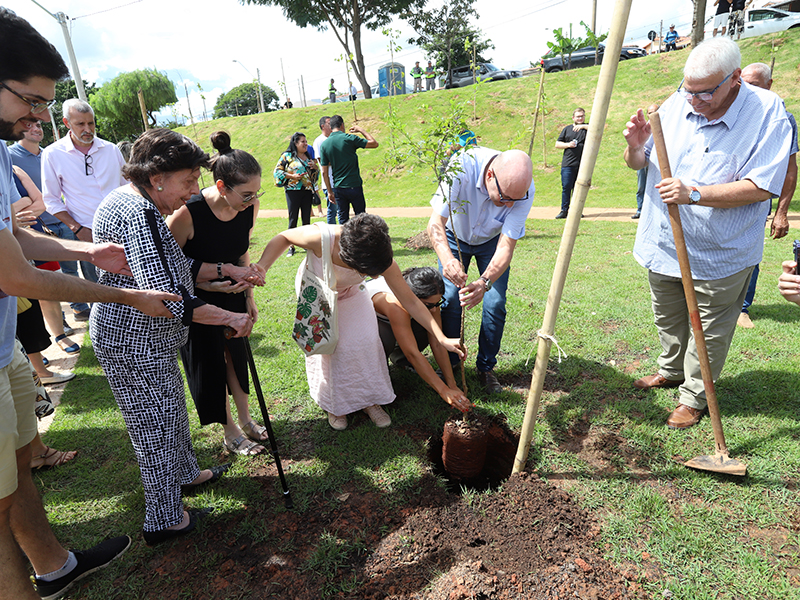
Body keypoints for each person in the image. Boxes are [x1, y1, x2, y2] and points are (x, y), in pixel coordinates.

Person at [0, 9, 182, 598]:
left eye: (46, 106)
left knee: (20, 469)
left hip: (5, 345)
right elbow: (15, 272)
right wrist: (123, 292)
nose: (38, 117)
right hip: (85, 332)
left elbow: (18, 235)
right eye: (30, 100)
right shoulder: (132, 207)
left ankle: (54, 567)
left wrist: (85, 247)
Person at [90, 128, 260, 545]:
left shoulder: (142, 202)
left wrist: (228, 271)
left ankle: (184, 473)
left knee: (170, 413)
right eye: (187, 181)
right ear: (156, 176)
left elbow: (178, 266)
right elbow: (166, 297)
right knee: (154, 428)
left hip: (154, 338)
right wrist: (227, 316)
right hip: (133, 339)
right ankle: (163, 518)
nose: (193, 190)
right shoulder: (138, 214)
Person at [623, 37, 792, 429]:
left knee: (710, 327)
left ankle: (695, 395)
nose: (692, 101)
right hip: (664, 242)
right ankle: (671, 369)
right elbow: (639, 162)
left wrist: (694, 193)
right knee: (668, 315)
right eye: (688, 90)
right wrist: (634, 148)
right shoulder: (678, 100)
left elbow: (763, 186)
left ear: (735, 78)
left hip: (721, 251)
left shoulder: (769, 115)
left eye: (704, 93)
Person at [256, 213, 464, 431]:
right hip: (318, 290)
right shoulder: (320, 237)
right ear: (351, 257)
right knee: (333, 345)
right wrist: (262, 266)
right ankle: (336, 406)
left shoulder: (380, 258)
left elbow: (410, 301)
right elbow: (284, 237)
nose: (375, 278)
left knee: (367, 341)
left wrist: (441, 338)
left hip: (351, 291)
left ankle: (368, 400)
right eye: (368, 272)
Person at [167, 131, 269, 457]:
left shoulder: (247, 208)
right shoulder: (187, 214)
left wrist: (249, 296)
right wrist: (206, 283)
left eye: (257, 193)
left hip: (234, 295)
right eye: (247, 194)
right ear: (222, 187)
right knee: (211, 363)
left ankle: (246, 419)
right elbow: (169, 262)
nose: (253, 201)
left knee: (235, 359)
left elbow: (242, 254)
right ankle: (230, 431)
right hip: (199, 302)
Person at [427, 148, 535, 394]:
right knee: (451, 299)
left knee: (495, 303)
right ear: (489, 176)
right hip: (455, 236)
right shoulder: (461, 166)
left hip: (491, 243)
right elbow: (435, 223)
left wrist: (485, 282)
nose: (509, 204)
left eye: (515, 200)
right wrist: (447, 259)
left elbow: (507, 246)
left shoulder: (523, 190)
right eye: (505, 197)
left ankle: (486, 367)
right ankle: (452, 362)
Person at [9, 119, 91, 325]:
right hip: (34, 228)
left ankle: (80, 308)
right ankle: (59, 321)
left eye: (39, 125)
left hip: (61, 219)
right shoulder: (9, 156)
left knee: (71, 268)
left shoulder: (51, 153)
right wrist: (27, 203)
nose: (37, 129)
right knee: (45, 278)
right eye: (31, 125)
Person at [737, 62, 798, 329]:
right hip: (717, 199)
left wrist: (781, 212)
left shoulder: (781, 118)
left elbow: (789, 168)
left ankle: (741, 308)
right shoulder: (731, 110)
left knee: (750, 252)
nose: (749, 91)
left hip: (756, 203)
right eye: (744, 84)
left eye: (756, 85)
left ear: (770, 85)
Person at [41, 98, 127, 286]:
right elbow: (51, 200)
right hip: (88, 235)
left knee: (133, 285)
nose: (87, 129)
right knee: (99, 290)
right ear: (67, 123)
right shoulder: (53, 154)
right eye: (80, 124)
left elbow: (128, 188)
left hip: (123, 230)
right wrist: (78, 229)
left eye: (91, 123)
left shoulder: (111, 150)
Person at [367, 267, 471, 412]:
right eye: (428, 305)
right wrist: (443, 391)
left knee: (425, 329)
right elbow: (413, 354)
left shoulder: (430, 301)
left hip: (400, 320)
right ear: (412, 298)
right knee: (385, 340)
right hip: (374, 324)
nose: (434, 310)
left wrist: (451, 384)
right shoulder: (395, 303)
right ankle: (374, 376)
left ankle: (399, 359)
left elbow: (437, 342)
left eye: (437, 304)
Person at [12, 164, 81, 357]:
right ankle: (33, 352)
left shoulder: (15, 169)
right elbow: (15, 211)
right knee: (21, 299)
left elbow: (41, 202)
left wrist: (10, 215)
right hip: (10, 243)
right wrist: (22, 204)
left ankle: (59, 335)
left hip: (35, 236)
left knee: (49, 290)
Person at [319, 114, 378, 224]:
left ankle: (344, 240)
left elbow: (324, 172)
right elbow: (374, 144)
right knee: (361, 217)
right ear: (342, 125)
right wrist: (361, 130)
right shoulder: (349, 138)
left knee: (342, 218)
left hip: (338, 187)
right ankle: (361, 240)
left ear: (331, 127)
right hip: (354, 184)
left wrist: (330, 191)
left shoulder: (325, 145)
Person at [275, 132, 319, 257]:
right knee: (293, 218)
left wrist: (315, 168)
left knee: (307, 219)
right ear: (296, 143)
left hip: (307, 191)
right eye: (303, 142)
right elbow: (277, 172)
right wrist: (292, 176)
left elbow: (315, 176)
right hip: (292, 191)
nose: (306, 144)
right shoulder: (287, 156)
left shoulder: (308, 156)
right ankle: (291, 246)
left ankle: (307, 244)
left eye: (306, 141)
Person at [554, 108, 588, 219]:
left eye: (582, 116)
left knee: (578, 189)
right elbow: (557, 144)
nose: (580, 118)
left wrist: (583, 126)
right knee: (566, 187)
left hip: (583, 164)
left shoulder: (587, 128)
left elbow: (597, 129)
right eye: (578, 116)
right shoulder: (567, 129)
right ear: (573, 118)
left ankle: (577, 210)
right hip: (568, 164)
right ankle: (564, 210)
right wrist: (568, 145)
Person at [313, 116, 337, 224]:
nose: (331, 124)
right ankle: (331, 235)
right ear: (322, 126)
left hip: (339, 180)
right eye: (329, 123)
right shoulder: (319, 141)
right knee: (332, 210)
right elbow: (322, 161)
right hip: (329, 182)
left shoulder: (334, 138)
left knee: (340, 210)